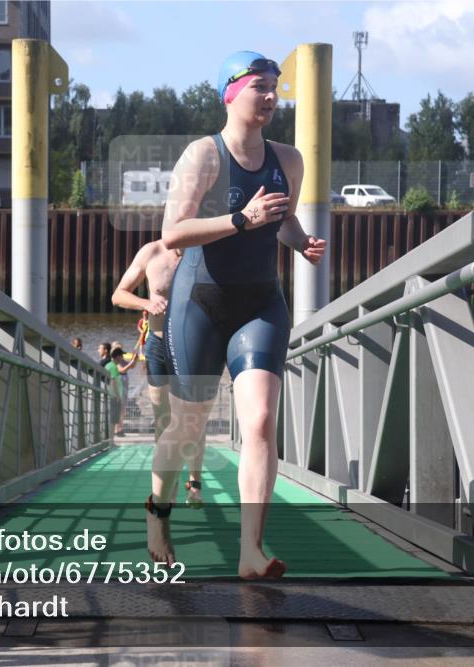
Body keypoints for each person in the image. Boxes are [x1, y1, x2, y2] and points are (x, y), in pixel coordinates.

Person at [146, 51, 326, 578]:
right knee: (187, 428)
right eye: (259, 86)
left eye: (275, 87)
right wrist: (240, 219)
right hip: (199, 300)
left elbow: (283, 221)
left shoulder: (289, 159)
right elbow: (172, 233)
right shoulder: (203, 155)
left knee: (262, 421)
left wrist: (299, 241)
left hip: (260, 302)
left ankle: (252, 550)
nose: (270, 96)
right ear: (231, 93)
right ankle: (158, 512)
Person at [113, 240, 206, 507]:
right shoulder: (151, 252)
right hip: (156, 343)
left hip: (191, 343)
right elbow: (118, 294)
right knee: (162, 419)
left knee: (191, 417)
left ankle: (194, 484)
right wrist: (147, 302)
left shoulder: (205, 252)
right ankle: (169, 486)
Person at [105, 345, 138, 437]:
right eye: (121, 355)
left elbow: (132, 366)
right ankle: (116, 430)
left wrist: (134, 360)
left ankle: (120, 428)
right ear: (117, 356)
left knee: (123, 408)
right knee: (119, 408)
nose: (123, 357)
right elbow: (122, 370)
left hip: (123, 386)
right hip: (119, 387)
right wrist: (131, 362)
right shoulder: (114, 364)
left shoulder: (121, 361)